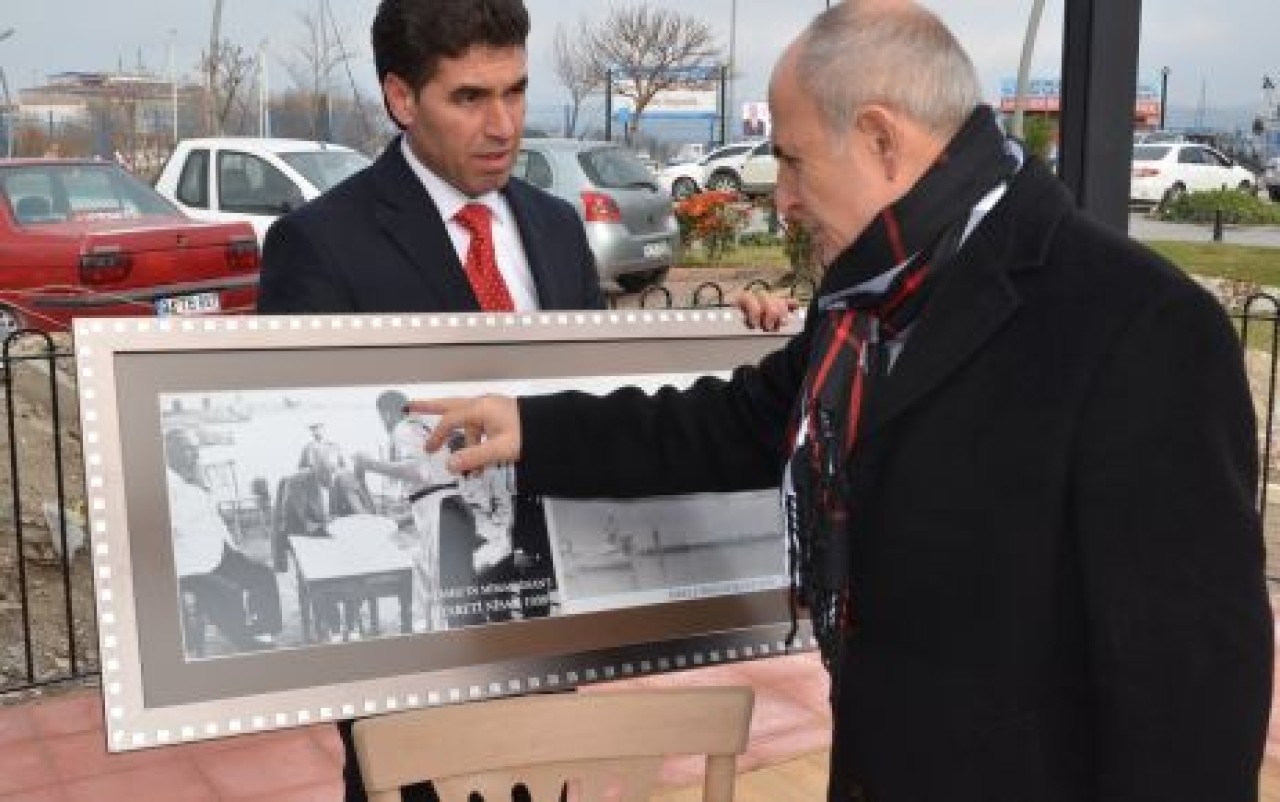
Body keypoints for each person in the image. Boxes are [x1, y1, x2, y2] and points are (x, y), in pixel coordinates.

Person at [410, 3, 1274, 800]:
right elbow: (732, 422)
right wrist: (533, 427)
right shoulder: (868, 298)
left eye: (790, 159)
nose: (781, 199)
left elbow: (1193, 699)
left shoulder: (1139, 329)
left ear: (879, 140)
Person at [254, 0, 607, 798]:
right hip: (421, 642)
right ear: (401, 98)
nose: (504, 125)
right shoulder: (319, 246)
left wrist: (736, 340)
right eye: (470, 98)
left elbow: (598, 400)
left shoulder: (555, 228)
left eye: (515, 92)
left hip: (548, 612)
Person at [165, 427, 282, 654]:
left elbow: (212, 514)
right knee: (229, 592)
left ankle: (263, 629)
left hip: (218, 551)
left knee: (264, 576)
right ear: (171, 452)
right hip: (190, 563)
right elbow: (176, 524)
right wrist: (195, 486)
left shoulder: (192, 477)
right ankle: (246, 642)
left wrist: (202, 487)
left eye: (196, 449)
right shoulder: (167, 484)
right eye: (189, 449)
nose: (196, 455)